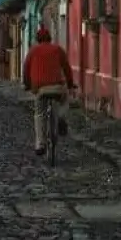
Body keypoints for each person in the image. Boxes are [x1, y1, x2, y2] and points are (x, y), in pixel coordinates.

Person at [21, 26, 76, 155]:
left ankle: (40, 143)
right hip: (57, 87)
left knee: (40, 114)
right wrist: (70, 84)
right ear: (50, 39)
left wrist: (27, 84)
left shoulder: (33, 51)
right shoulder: (58, 49)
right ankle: (61, 117)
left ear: (37, 39)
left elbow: (26, 70)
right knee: (64, 100)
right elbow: (67, 68)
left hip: (40, 89)